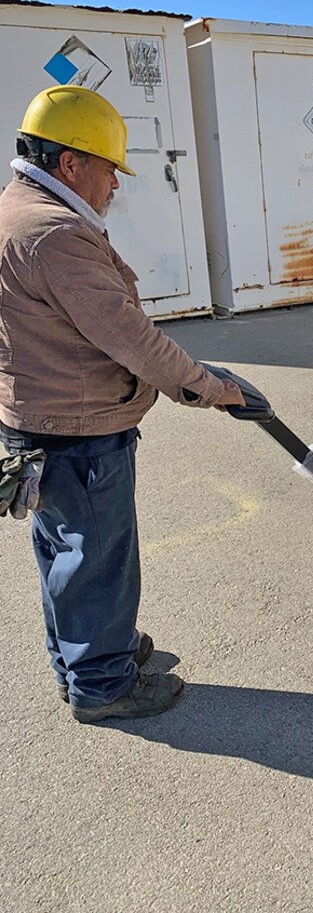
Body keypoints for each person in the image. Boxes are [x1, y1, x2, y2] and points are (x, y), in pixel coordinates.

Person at [0, 85, 245, 723]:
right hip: (77, 429)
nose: (114, 184)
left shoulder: (15, 212)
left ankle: (82, 657)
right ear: (70, 162)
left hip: (38, 421)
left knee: (65, 549)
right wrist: (207, 386)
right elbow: (128, 336)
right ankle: (102, 683)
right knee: (98, 556)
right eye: (110, 168)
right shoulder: (55, 234)